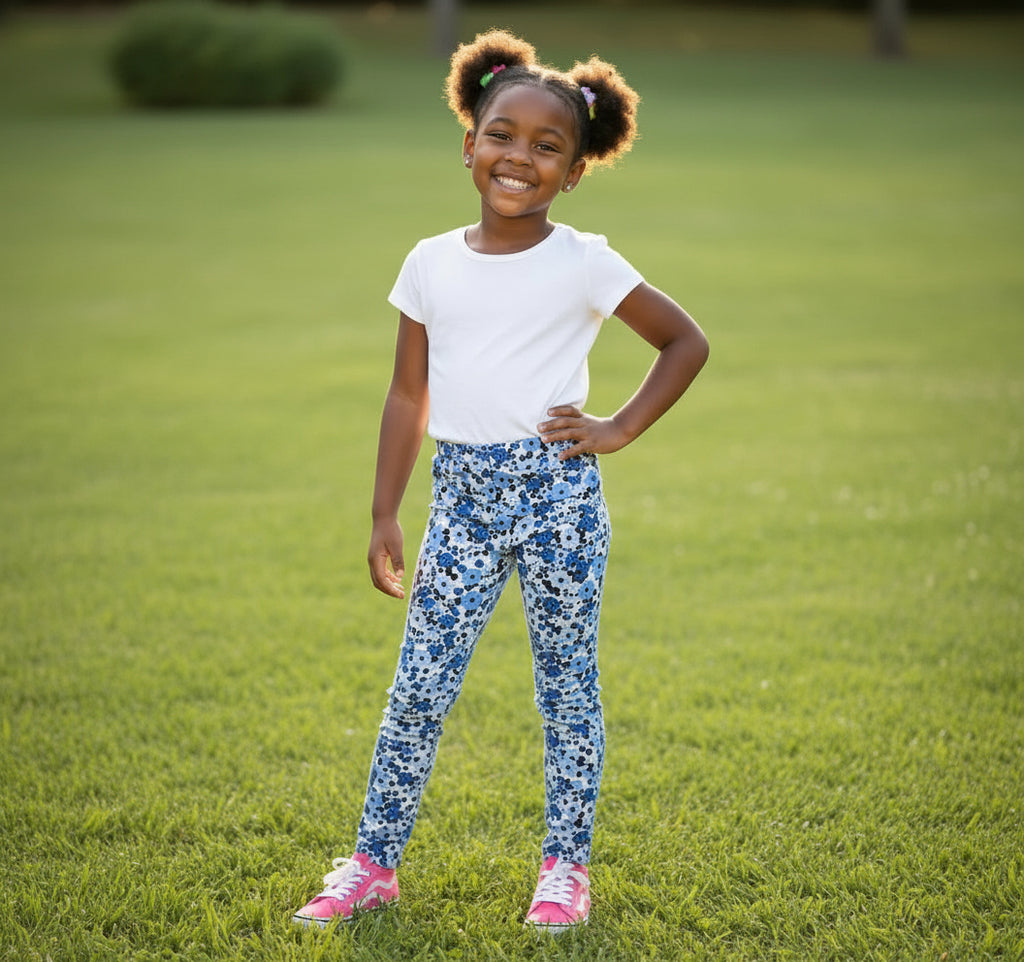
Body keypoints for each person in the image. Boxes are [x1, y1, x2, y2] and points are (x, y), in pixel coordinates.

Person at [293, 28, 709, 934]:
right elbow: (409, 394)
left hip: (559, 496)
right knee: (418, 688)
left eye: (546, 146)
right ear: (469, 142)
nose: (519, 156)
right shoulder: (429, 262)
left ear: (573, 169)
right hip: (460, 504)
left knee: (566, 688)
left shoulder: (586, 259)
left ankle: (565, 869)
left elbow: (687, 341)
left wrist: (619, 427)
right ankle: (372, 863)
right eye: (502, 134)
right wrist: (382, 514)